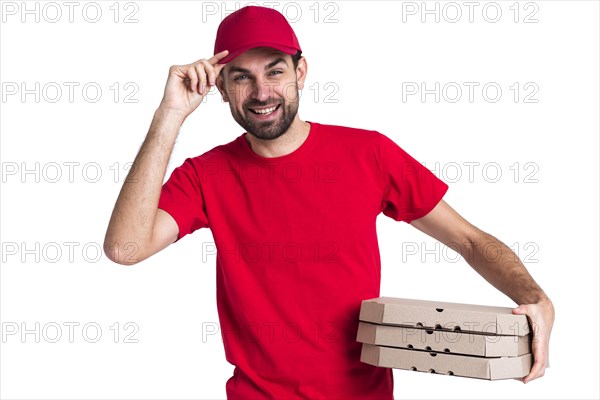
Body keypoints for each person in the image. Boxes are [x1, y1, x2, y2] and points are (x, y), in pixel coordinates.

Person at [103, 5, 554, 399]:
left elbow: (470, 241)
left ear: (300, 72)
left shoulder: (369, 154)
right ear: (220, 88)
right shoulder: (206, 175)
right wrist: (170, 115)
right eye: (242, 77)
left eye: (275, 71)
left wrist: (533, 297)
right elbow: (125, 248)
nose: (261, 93)